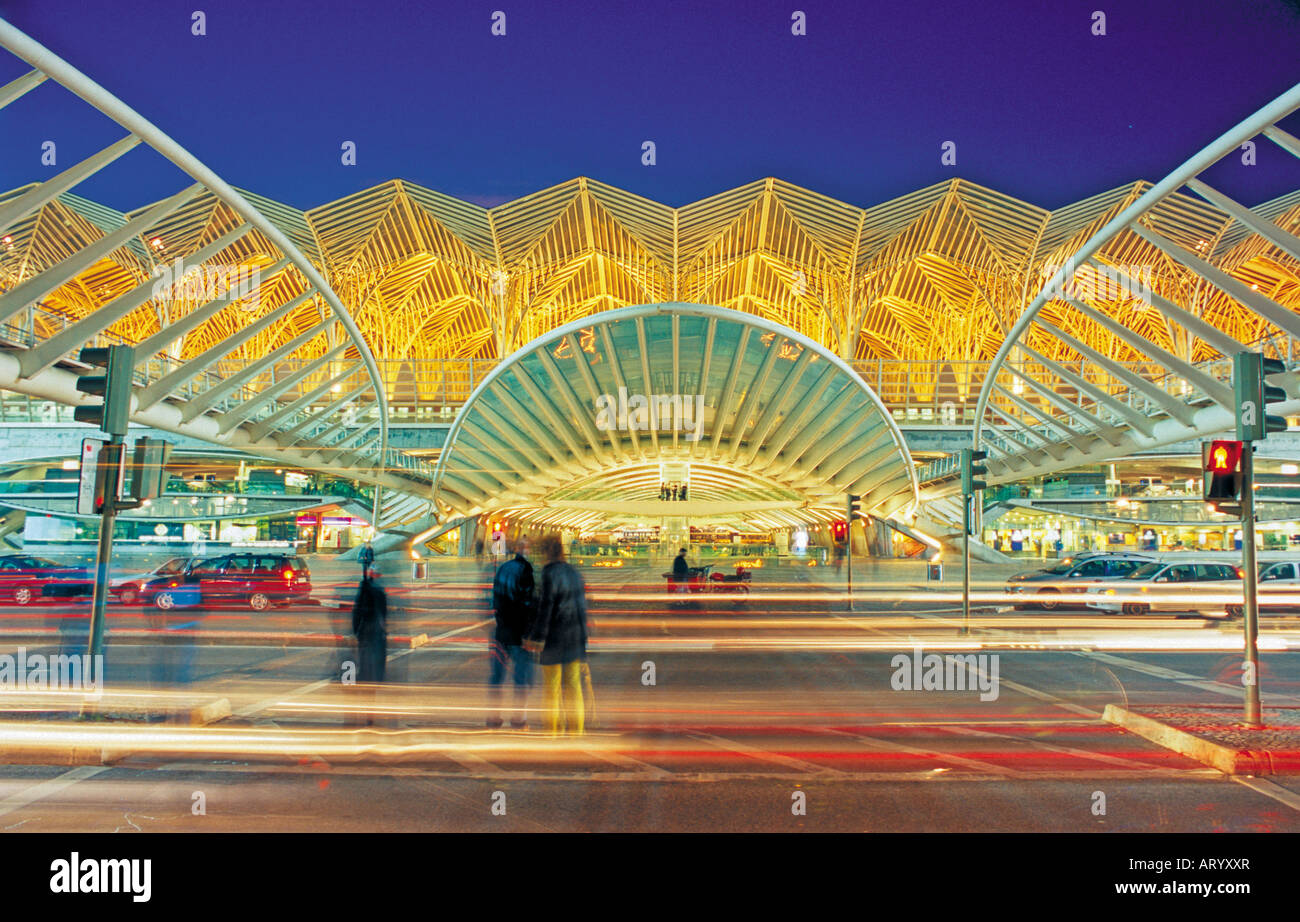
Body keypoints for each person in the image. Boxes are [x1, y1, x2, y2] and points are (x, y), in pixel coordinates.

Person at [525, 534, 590, 736]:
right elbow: (582, 608)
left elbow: (546, 608)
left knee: (552, 688)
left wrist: (536, 637)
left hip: (555, 637)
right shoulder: (574, 572)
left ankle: (552, 732)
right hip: (575, 636)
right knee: (573, 686)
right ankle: (577, 731)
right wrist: (584, 641)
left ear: (545, 552)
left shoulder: (548, 573)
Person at [488, 537, 536, 728]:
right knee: (521, 677)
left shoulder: (503, 568)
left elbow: (495, 598)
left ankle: (493, 716)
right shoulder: (526, 571)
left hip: (502, 631)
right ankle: (518, 718)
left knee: (497, 677)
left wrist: (499, 622)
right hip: (519, 633)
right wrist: (528, 633)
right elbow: (528, 604)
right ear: (524, 550)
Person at [352, 569, 388, 684]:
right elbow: (383, 611)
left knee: (365, 653)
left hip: (366, 626)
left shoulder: (366, 590)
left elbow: (357, 610)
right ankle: (377, 675)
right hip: (376, 626)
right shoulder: (379, 590)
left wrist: (356, 628)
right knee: (376, 652)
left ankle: (365, 674)